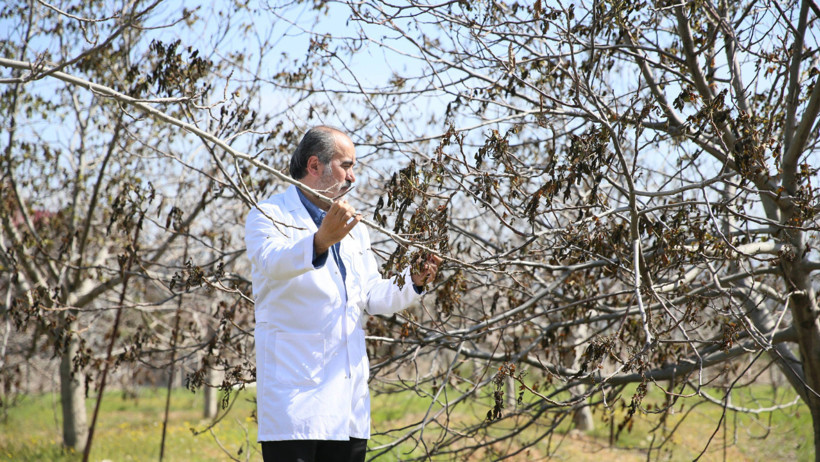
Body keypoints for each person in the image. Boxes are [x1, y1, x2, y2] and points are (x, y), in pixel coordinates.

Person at [245, 126, 441, 462]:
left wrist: (413, 281)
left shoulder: (354, 228)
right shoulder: (269, 215)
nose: (352, 177)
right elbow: (272, 263)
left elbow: (370, 297)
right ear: (314, 165)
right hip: (296, 402)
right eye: (346, 166)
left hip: (348, 403)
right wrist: (321, 241)